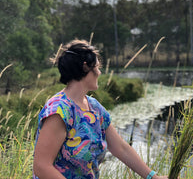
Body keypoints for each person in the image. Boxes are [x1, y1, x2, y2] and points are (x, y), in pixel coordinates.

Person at [33, 39, 169, 179]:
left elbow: (120, 148)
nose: (99, 72)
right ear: (85, 67)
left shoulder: (94, 108)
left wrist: (153, 177)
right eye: (97, 67)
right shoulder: (59, 111)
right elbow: (41, 166)